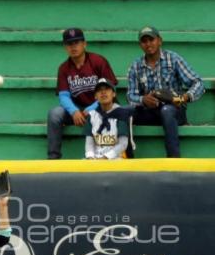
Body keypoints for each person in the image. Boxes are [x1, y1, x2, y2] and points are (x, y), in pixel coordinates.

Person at [127, 26, 205, 157]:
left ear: (159, 41)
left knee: (167, 111)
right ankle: (127, 158)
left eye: (151, 40)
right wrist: (143, 100)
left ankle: (173, 160)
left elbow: (198, 83)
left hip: (174, 110)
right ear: (140, 45)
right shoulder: (135, 66)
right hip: (150, 111)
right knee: (125, 113)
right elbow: (130, 95)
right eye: (144, 41)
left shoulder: (173, 59)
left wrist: (184, 97)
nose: (148, 44)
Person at [47, 28, 118, 159]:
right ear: (65, 47)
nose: (73, 47)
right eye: (69, 44)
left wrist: (92, 109)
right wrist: (74, 111)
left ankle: (103, 156)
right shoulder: (64, 68)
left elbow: (111, 90)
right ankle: (53, 159)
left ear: (84, 44)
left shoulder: (98, 61)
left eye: (77, 42)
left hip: (100, 108)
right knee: (55, 113)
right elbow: (63, 95)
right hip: (78, 112)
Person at [85, 78, 131, 159]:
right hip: (95, 160)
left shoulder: (121, 113)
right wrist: (90, 157)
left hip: (116, 159)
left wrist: (105, 157)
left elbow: (123, 144)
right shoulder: (92, 115)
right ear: (95, 96)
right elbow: (89, 143)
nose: (103, 92)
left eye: (107, 89)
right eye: (99, 90)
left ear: (114, 94)